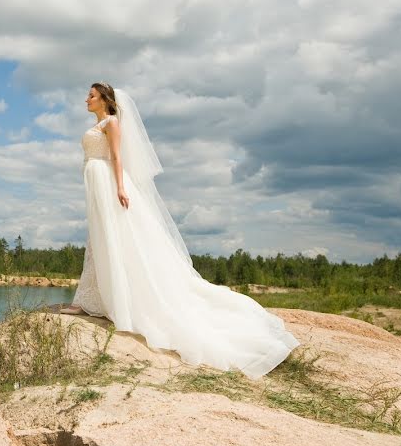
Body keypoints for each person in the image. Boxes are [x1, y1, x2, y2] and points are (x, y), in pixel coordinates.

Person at [59, 82, 300, 379]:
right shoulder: (100, 124)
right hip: (96, 180)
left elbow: (118, 158)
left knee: (113, 238)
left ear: (105, 100)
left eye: (92, 96)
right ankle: (89, 298)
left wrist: (120, 187)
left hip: (108, 182)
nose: (87, 99)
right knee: (98, 240)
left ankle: (118, 301)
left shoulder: (112, 123)